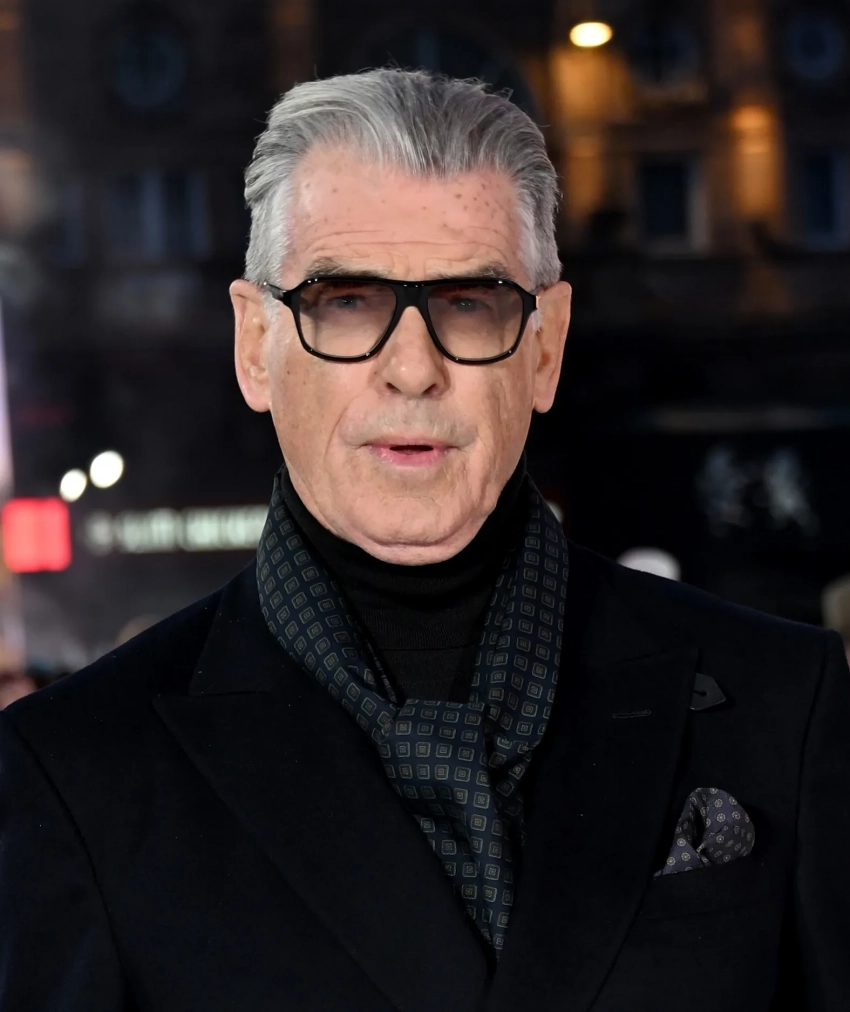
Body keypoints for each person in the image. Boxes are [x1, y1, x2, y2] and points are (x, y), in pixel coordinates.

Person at [1, 70, 848, 1012]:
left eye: (470, 303)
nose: (413, 368)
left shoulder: (783, 701)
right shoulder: (73, 772)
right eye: (346, 302)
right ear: (254, 345)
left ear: (545, 348)